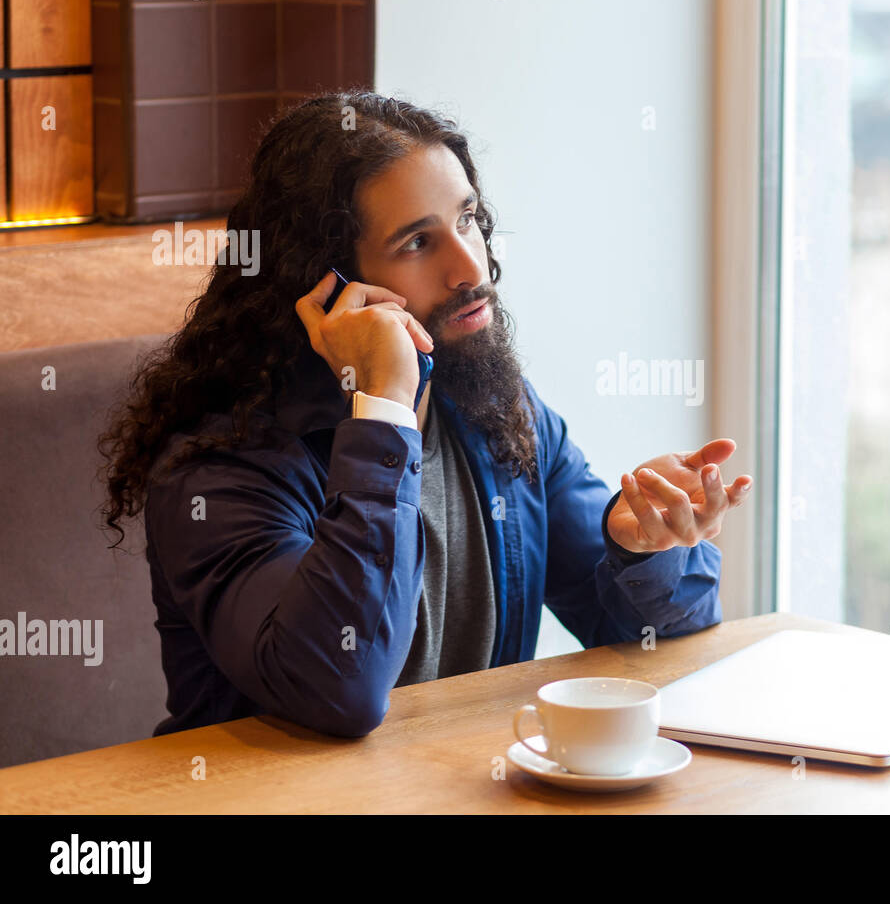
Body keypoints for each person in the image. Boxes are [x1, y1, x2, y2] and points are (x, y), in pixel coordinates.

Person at [98, 91, 752, 738]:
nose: (470, 268)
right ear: (327, 283)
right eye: (417, 242)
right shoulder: (221, 466)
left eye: (467, 219)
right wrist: (382, 405)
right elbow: (338, 689)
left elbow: (650, 649)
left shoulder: (499, 410)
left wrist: (645, 549)